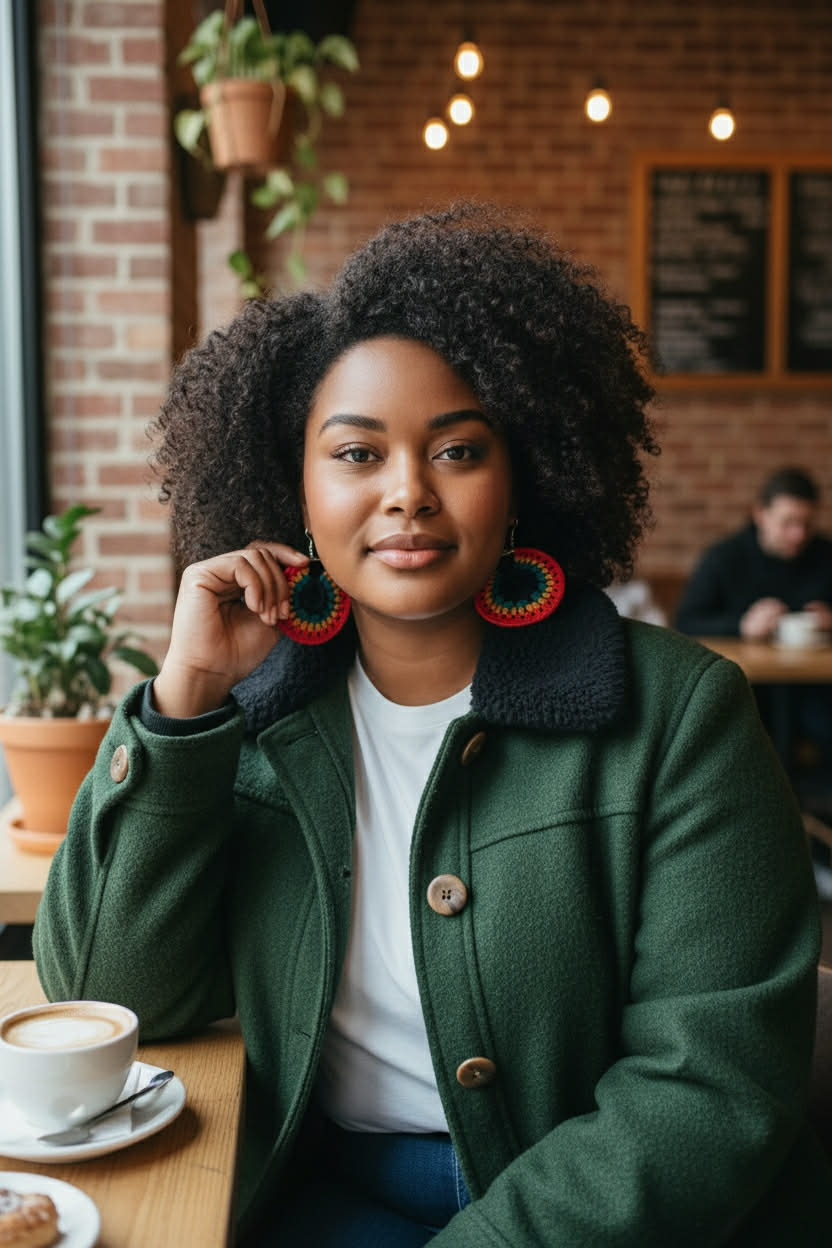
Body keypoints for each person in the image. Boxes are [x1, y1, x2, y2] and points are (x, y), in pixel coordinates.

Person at [33, 205, 831, 1245]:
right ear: (297, 492)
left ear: (521, 480)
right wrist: (184, 700)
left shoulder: (680, 715)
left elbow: (708, 1091)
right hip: (323, 1193)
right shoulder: (255, 715)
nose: (407, 493)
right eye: (357, 455)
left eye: (456, 450)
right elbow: (111, 988)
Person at [675, 468, 832, 788]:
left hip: (816, 693)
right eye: (788, 522)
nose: (798, 534)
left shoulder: (825, 554)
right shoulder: (724, 558)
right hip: (747, 691)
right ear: (760, 514)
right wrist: (741, 625)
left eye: (806, 523)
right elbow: (685, 622)